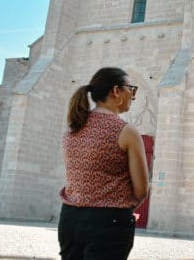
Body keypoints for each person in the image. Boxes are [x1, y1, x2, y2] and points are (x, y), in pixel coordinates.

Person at [58, 67, 150, 260]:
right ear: (116, 91)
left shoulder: (72, 128)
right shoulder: (126, 132)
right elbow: (141, 189)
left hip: (69, 219)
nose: (133, 96)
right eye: (131, 89)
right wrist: (121, 210)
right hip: (109, 222)